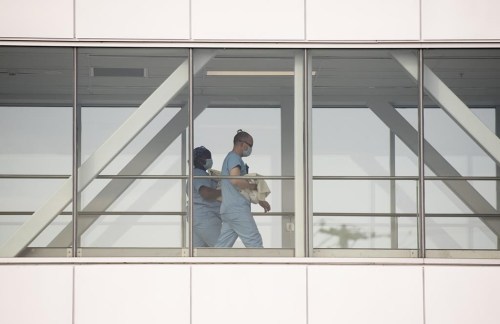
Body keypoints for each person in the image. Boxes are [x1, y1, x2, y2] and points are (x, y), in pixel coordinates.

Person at [215, 129, 271, 248]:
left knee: (222, 247)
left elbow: (239, 186)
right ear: (242, 143)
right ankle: (262, 266)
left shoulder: (231, 158)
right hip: (237, 210)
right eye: (250, 145)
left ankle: (209, 266)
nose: (250, 148)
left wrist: (260, 200)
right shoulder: (234, 158)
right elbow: (235, 179)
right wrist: (252, 185)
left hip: (228, 209)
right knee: (254, 242)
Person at [190, 146, 222, 247]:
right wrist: (226, 192)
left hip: (199, 219)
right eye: (207, 157)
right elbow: (206, 193)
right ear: (200, 160)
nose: (210, 160)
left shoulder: (202, 174)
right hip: (206, 219)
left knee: (199, 255)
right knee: (222, 250)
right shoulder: (198, 174)